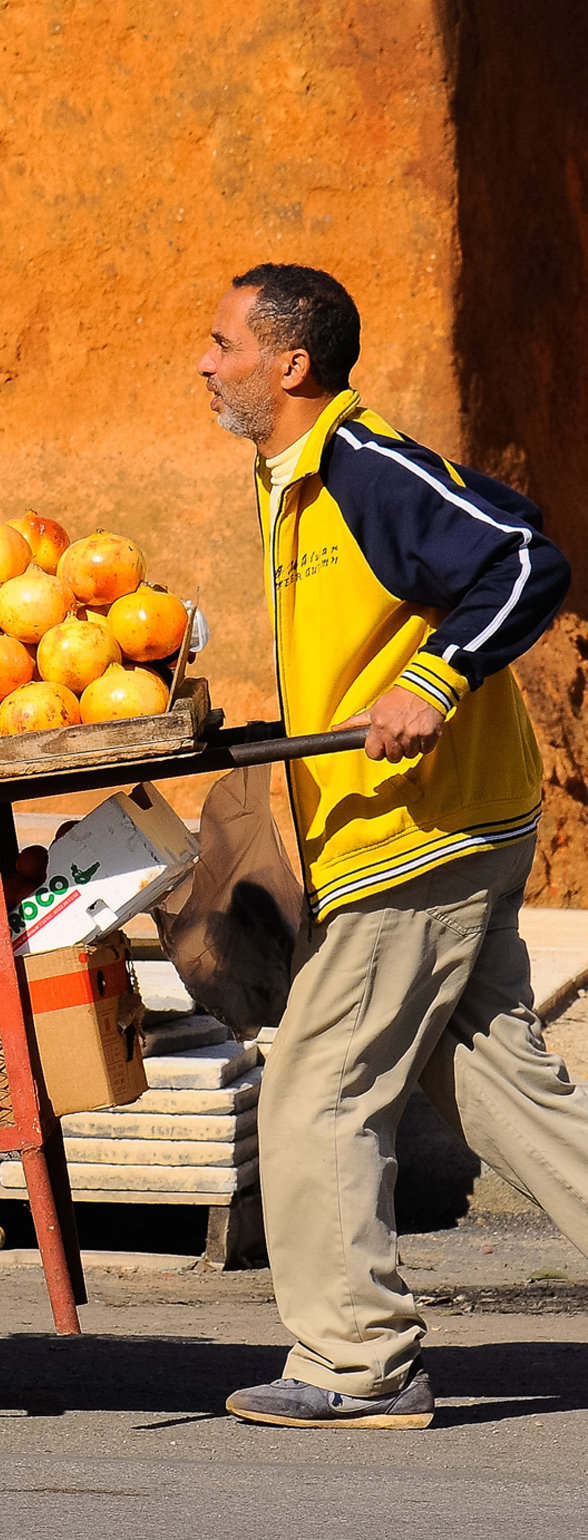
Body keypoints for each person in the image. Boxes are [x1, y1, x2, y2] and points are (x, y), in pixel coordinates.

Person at [197, 263, 578, 1429]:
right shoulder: (291, 481)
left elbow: (523, 558)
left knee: (315, 1087)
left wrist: (435, 676)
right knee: (503, 1082)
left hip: (420, 835)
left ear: (289, 363)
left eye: (221, 344)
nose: (205, 363)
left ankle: (354, 1363)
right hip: (409, 825)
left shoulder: (367, 465)